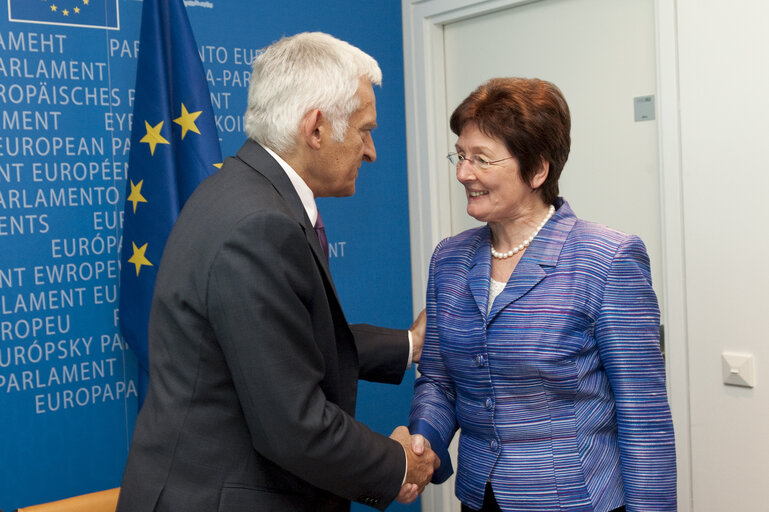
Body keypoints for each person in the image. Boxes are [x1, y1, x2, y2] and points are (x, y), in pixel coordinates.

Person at [116, 32, 437, 512]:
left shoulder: (237, 190)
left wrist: (410, 344)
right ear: (316, 129)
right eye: (365, 130)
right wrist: (396, 464)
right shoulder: (260, 225)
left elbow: (286, 341)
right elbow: (294, 426)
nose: (370, 151)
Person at [408, 77, 676, 512]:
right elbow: (439, 379)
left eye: (481, 159)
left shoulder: (607, 259)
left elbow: (643, 415)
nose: (463, 173)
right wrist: (424, 440)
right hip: (481, 498)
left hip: (575, 499)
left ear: (537, 170)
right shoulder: (449, 259)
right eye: (459, 156)